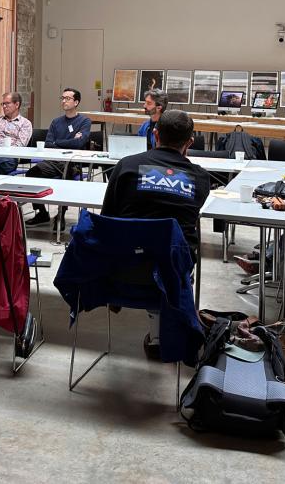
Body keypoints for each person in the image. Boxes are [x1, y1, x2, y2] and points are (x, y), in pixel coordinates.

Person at [101, 109, 210, 358]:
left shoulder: (126, 166)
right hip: (171, 275)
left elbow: (107, 218)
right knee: (167, 244)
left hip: (121, 273)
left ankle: (156, 332)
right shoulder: (199, 178)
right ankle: (163, 335)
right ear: (190, 143)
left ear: (154, 134)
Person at [24, 88, 91, 226]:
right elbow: (48, 144)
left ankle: (61, 215)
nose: (64, 101)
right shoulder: (56, 122)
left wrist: (58, 142)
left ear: (76, 102)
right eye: (62, 98)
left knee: (66, 177)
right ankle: (41, 213)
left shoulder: (84, 121)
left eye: (68, 98)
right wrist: (69, 142)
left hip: (73, 163)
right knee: (32, 173)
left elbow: (79, 143)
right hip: (53, 161)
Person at [0, 91, 33, 175]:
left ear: (17, 105)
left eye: (7, 103)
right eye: (3, 104)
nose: (4, 106)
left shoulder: (25, 124)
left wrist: (1, 150)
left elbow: (20, 146)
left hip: (10, 156)